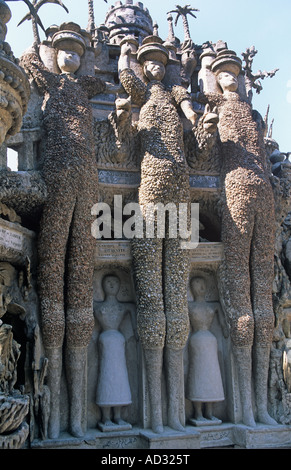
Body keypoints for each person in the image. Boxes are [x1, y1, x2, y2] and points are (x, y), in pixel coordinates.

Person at [118, 34, 218, 433]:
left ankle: (175, 415)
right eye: (150, 62)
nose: (156, 66)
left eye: (161, 61)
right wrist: (125, 55)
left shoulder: (177, 99)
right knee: (152, 300)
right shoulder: (140, 95)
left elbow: (193, 122)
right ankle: (155, 415)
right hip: (149, 192)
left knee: (174, 300)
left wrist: (199, 120)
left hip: (180, 190)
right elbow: (127, 82)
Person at [20, 24, 107, 438]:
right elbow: (30, 63)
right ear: (53, 55)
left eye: (76, 51)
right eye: (63, 51)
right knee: (52, 274)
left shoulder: (86, 86)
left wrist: (98, 52)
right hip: (57, 178)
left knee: (80, 278)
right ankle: (53, 424)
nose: (69, 57)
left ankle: (76, 421)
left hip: (88, 183)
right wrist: (40, 38)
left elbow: (101, 77)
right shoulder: (50, 81)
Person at [207, 47, 277, 426]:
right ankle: (245, 409)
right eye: (223, 73)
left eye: (235, 73)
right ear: (214, 78)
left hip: (263, 192)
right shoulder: (213, 108)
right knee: (242, 304)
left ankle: (262, 407)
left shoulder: (250, 114)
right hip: (234, 191)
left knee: (262, 303)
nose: (230, 78)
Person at [94, 274, 135, 431]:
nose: (112, 284)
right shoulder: (99, 307)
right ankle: (105, 416)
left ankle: (117, 416)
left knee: (119, 380)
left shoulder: (122, 307)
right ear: (103, 286)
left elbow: (132, 308)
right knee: (106, 378)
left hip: (118, 343)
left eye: (115, 282)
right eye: (108, 282)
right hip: (106, 341)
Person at [186, 276, 228, 426]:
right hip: (197, 340)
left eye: (203, 283)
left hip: (210, 341)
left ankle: (209, 412)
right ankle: (198, 412)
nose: (201, 287)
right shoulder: (189, 306)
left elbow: (224, 325)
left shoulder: (214, 305)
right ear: (191, 288)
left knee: (211, 377)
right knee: (198, 375)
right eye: (197, 284)